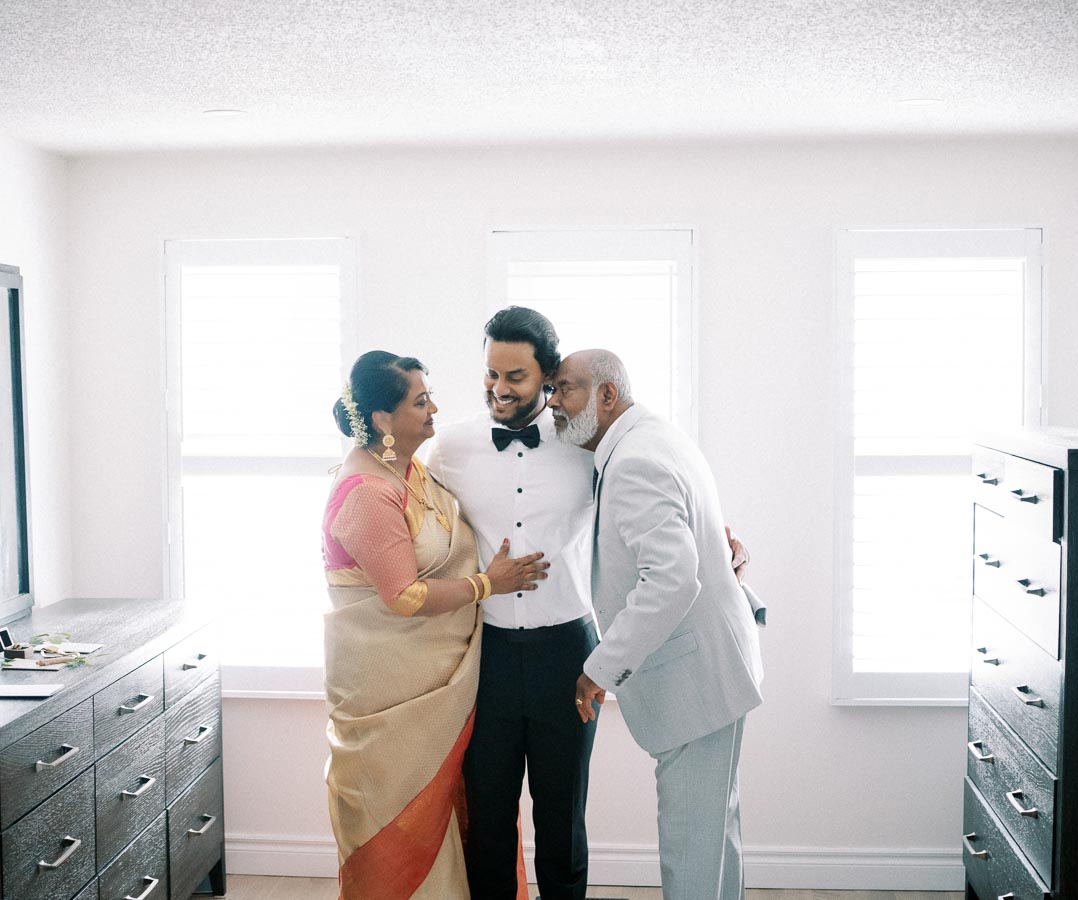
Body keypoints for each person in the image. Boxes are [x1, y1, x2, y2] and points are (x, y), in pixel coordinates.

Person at [322, 350, 549, 900]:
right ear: (381, 419)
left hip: (445, 686)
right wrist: (488, 585)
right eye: (420, 401)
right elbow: (403, 596)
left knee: (466, 817)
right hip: (390, 698)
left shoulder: (411, 469)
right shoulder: (366, 493)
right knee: (398, 826)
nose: (434, 410)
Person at [550, 349, 765, 900]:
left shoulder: (633, 462)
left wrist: (598, 669)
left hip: (694, 679)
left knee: (691, 847)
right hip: (717, 665)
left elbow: (670, 578)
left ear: (606, 395)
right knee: (714, 835)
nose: (553, 401)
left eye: (565, 389)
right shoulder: (652, 436)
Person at [425, 308, 599, 900]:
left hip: (568, 655)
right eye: (491, 374)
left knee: (562, 820)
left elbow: (651, 499)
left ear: (548, 375)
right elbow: (397, 499)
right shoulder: (451, 447)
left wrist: (719, 538)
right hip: (487, 657)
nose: (499, 388)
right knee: (490, 822)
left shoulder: (588, 444)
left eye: (516, 376)